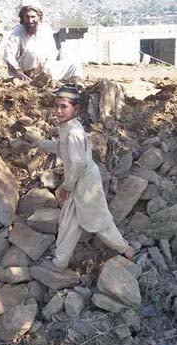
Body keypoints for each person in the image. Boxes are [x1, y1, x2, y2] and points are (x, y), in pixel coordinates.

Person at [30, 85, 134, 271]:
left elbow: (78, 164)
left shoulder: (74, 133)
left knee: (98, 220)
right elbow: (62, 148)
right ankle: (59, 262)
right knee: (69, 222)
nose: (59, 111)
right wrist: (39, 143)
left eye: (64, 107)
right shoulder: (68, 128)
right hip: (77, 180)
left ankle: (126, 249)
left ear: (75, 109)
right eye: (57, 106)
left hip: (85, 183)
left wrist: (67, 187)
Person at [3, 2, 83, 82]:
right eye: (27, 17)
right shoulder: (17, 32)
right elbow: (8, 56)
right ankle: (34, 81)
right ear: (22, 18)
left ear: (39, 17)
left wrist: (46, 68)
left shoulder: (46, 29)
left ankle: (75, 87)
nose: (30, 20)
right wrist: (19, 72)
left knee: (75, 65)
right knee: (32, 53)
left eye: (33, 17)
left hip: (45, 70)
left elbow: (53, 52)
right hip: (26, 73)